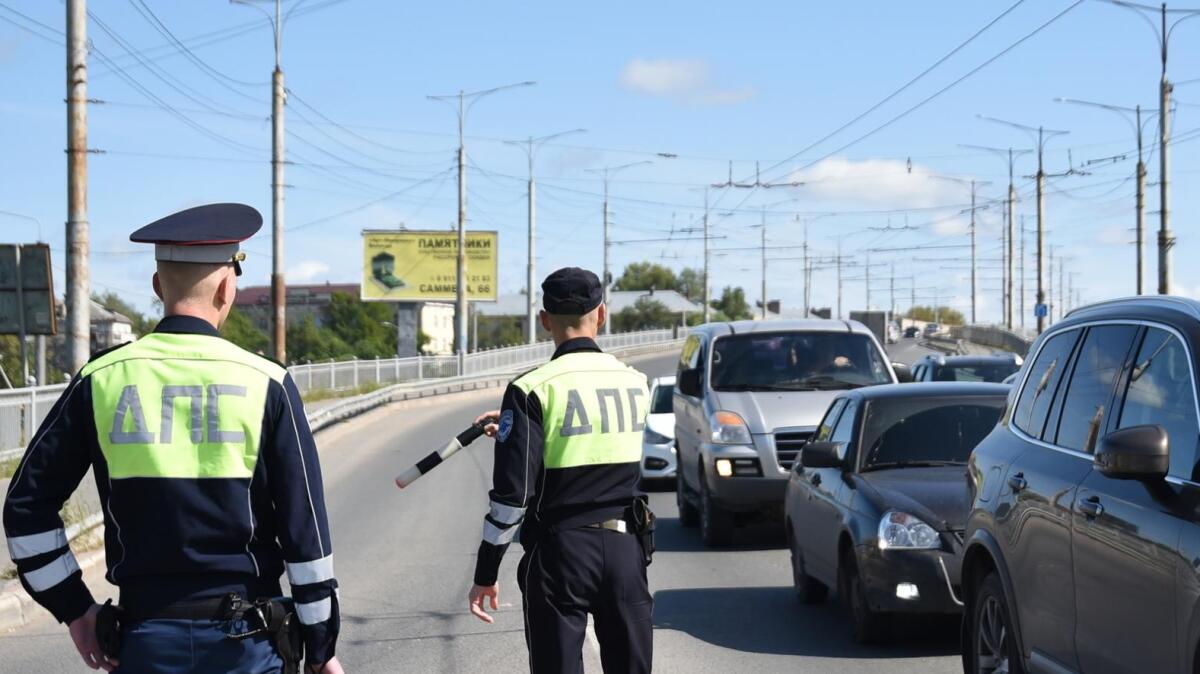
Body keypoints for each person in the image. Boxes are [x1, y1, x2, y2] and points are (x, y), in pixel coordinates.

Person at [2, 204, 343, 674]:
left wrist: (75, 609)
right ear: (227, 286)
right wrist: (321, 648)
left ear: (158, 286)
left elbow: (25, 508)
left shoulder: (100, 379)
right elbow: (307, 537)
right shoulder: (268, 382)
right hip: (248, 648)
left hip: (143, 644)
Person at [467, 267, 654, 674]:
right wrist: (520, 430)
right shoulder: (636, 382)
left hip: (560, 554)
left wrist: (486, 570)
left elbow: (511, 499)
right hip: (626, 549)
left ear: (544, 320)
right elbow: (595, 431)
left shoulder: (531, 389)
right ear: (601, 315)